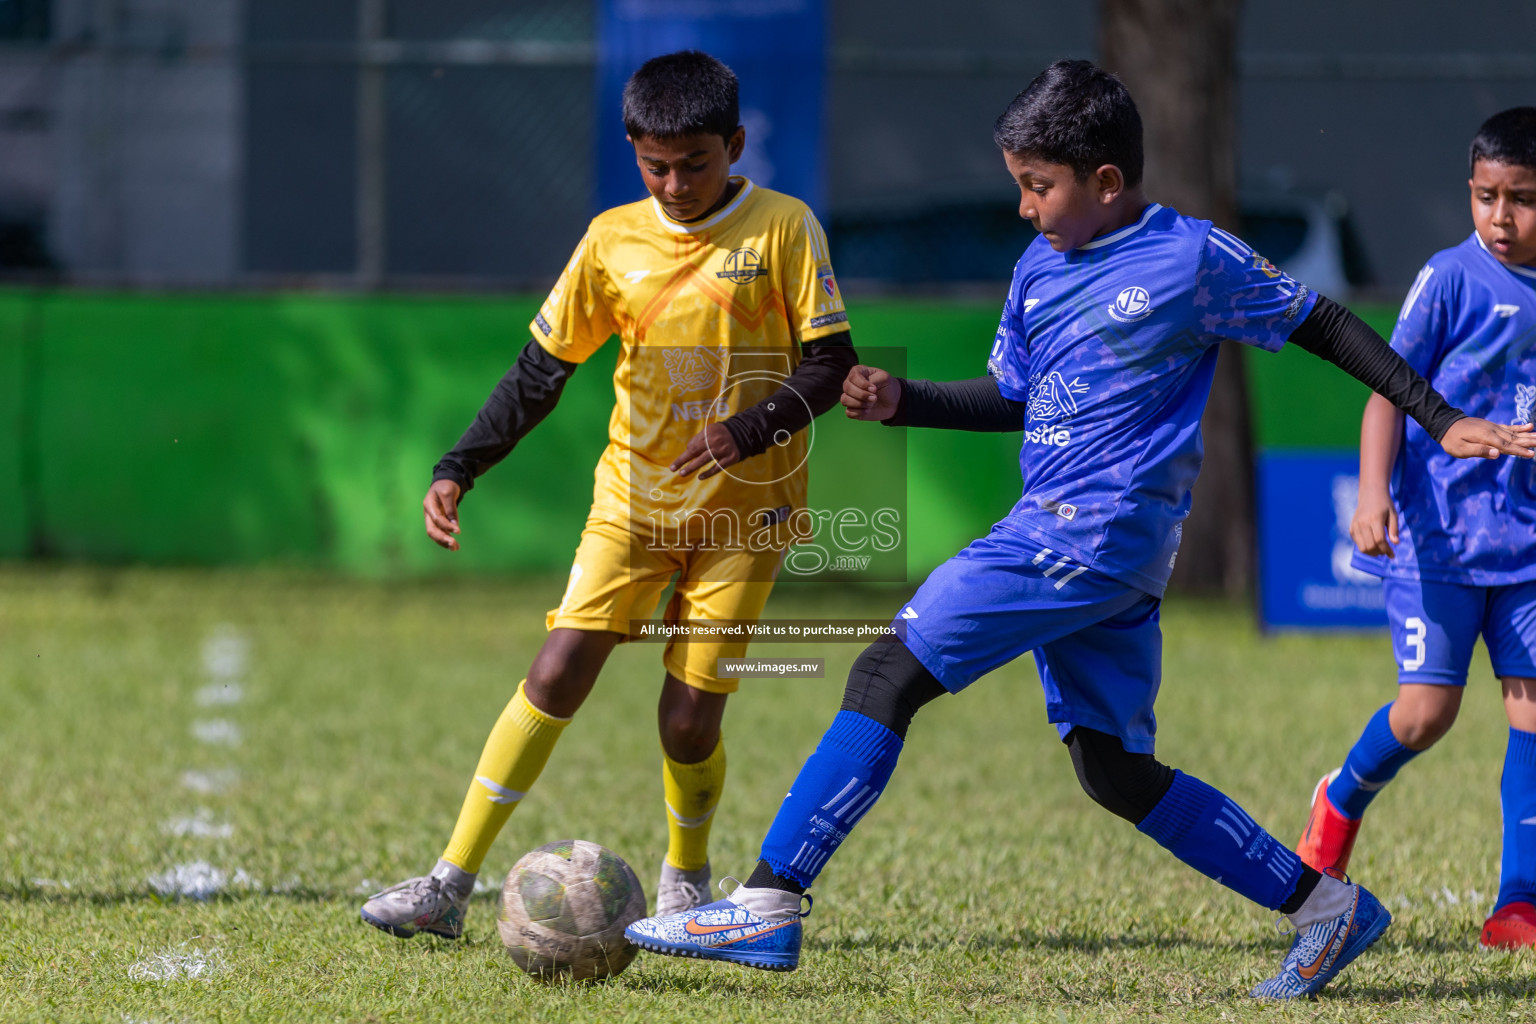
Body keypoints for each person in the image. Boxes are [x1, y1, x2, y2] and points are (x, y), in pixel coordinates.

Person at [623, 60, 1536, 999]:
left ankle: (769, 903)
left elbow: (1326, 325)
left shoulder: (1193, 259)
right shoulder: (1040, 266)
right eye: (1019, 183)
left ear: (1106, 182)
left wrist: (1436, 417)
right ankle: (1325, 908)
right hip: (1092, 548)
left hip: (1086, 533)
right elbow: (1018, 398)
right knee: (1113, 770)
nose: (1023, 207)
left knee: (886, 673)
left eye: (1038, 186)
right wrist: (908, 402)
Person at [360, 49, 857, 939]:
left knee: (688, 717)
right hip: (632, 502)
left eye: (694, 164)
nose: (672, 183)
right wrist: (459, 465)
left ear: (736, 144)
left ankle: (685, 878)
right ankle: (447, 884)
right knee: (557, 668)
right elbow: (541, 370)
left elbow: (831, 366)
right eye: (654, 164)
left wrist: (746, 431)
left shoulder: (785, 228)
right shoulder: (610, 239)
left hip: (750, 516)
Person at [1295, 107, 1536, 950]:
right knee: (1426, 715)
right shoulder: (1450, 278)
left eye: (1522, 200)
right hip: (1442, 541)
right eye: (1485, 196)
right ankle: (1340, 798)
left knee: (1534, 713)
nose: (1501, 218)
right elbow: (1385, 391)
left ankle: (1519, 902)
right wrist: (1371, 495)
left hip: (1530, 554)